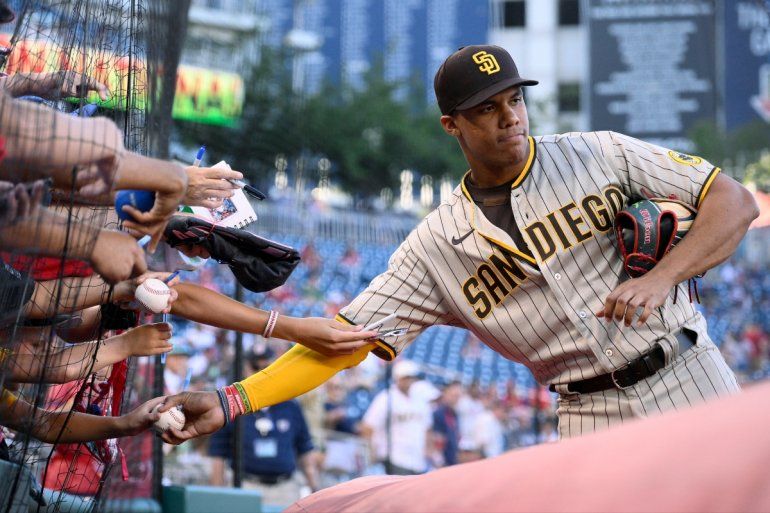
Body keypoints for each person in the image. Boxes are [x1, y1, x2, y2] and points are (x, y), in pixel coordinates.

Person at [158, 45, 759, 443]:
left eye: (516, 99)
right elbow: (343, 342)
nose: (510, 117)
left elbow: (735, 200)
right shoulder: (436, 246)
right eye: (488, 108)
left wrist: (661, 277)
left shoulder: (600, 152)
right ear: (453, 125)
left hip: (688, 372)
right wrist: (234, 399)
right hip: (587, 414)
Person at [208, 347, 320, 507]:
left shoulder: (290, 404)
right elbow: (217, 456)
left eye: (266, 367)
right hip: (246, 486)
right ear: (246, 368)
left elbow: (305, 449)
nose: (260, 373)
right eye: (255, 367)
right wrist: (217, 499)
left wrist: (315, 488)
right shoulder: (231, 405)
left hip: (285, 488)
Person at [359, 360, 432, 475]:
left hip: (417, 461)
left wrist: (428, 451)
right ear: (398, 378)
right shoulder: (386, 397)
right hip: (393, 457)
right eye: (406, 377)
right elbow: (368, 426)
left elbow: (428, 428)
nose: (409, 380)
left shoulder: (421, 400)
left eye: (411, 377)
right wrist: (371, 453)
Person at [430, 381, 462, 467]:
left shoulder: (455, 414)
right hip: (442, 465)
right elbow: (436, 441)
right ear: (445, 394)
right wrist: (440, 463)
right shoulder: (438, 414)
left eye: (458, 396)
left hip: (451, 461)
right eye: (454, 396)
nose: (456, 399)